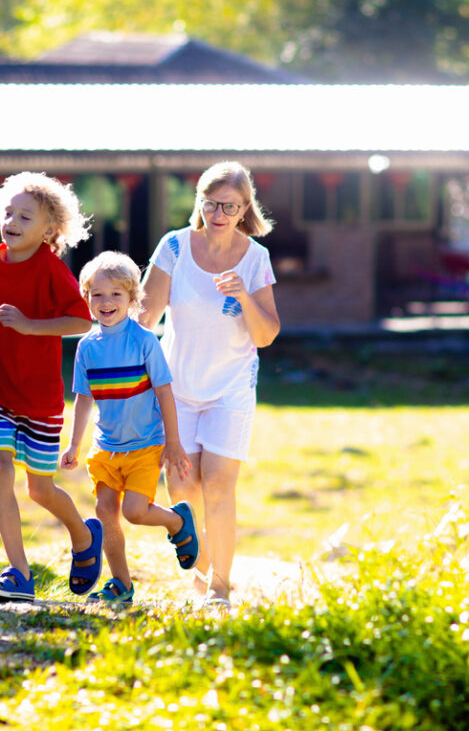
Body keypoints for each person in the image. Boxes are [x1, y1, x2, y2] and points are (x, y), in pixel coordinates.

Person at [139, 161, 280, 607]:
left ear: (244, 209)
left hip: (231, 389)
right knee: (182, 489)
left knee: (218, 485)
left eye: (229, 206)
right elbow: (145, 316)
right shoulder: (174, 248)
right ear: (198, 201)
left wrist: (242, 295)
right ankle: (196, 581)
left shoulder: (257, 258)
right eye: (210, 203)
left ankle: (219, 588)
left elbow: (266, 335)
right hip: (175, 389)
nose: (218, 213)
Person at [0, 172, 102, 602]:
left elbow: (81, 320)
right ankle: (18, 574)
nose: (13, 221)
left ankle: (83, 536)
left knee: (39, 488)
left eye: (25, 215)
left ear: (49, 230)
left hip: (40, 398)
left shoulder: (51, 269)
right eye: (8, 212)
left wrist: (29, 325)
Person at [59, 252, 199, 606]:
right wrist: (75, 444)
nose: (107, 303)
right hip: (106, 448)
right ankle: (121, 584)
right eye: (98, 295)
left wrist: (173, 442)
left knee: (135, 512)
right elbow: (84, 399)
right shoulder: (87, 347)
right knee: (106, 513)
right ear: (87, 298)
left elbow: (165, 392)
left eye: (116, 295)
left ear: (132, 298)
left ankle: (177, 522)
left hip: (145, 445)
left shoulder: (144, 341)